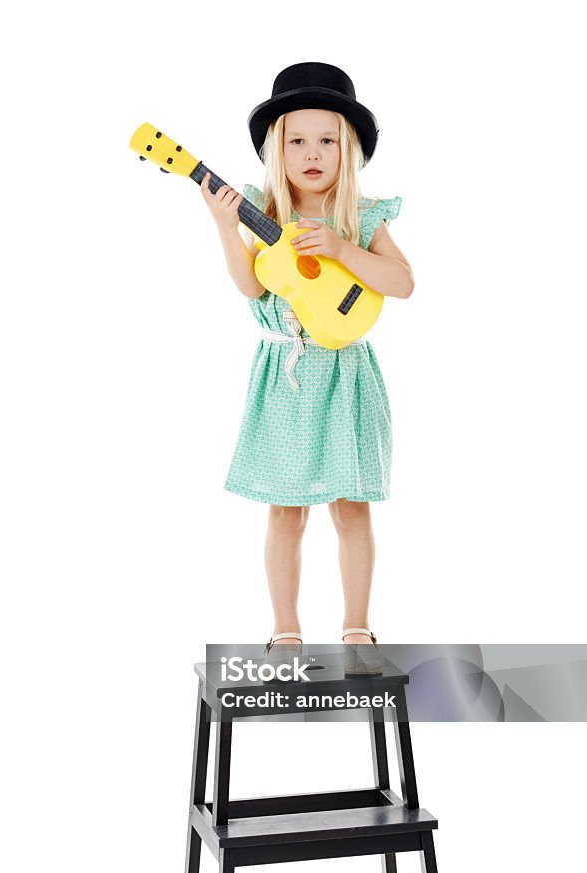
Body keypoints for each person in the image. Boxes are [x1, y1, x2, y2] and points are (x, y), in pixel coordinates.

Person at [201, 62, 414, 670]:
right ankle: (286, 628)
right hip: (284, 381)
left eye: (327, 140)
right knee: (285, 508)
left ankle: (356, 628)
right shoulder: (261, 214)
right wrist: (224, 224)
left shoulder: (362, 218)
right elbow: (250, 288)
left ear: (348, 150)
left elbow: (402, 283)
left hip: (344, 375)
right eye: (297, 140)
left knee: (351, 508)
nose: (312, 153)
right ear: (277, 149)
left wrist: (343, 249)